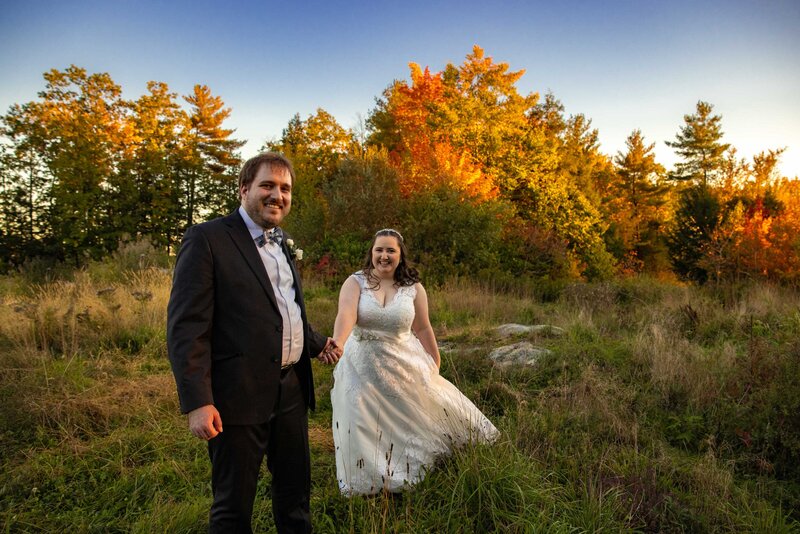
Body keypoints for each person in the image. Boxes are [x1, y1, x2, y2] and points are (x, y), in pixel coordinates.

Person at [167, 152, 342, 533]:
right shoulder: (208, 239)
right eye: (267, 185)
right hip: (237, 394)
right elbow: (187, 328)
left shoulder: (281, 244)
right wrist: (198, 401)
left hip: (292, 390)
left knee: (295, 494)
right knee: (234, 505)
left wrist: (316, 343)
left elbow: (283, 311)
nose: (277, 195)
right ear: (244, 188)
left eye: (285, 188)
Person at [329, 228, 499, 495]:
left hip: (401, 358)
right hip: (361, 361)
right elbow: (346, 314)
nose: (384, 256)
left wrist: (434, 358)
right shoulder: (355, 282)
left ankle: (408, 465)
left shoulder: (414, 288)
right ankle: (369, 478)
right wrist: (338, 341)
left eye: (390, 250)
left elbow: (422, 328)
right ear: (371, 253)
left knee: (418, 410)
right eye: (379, 250)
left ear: (400, 255)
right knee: (361, 415)